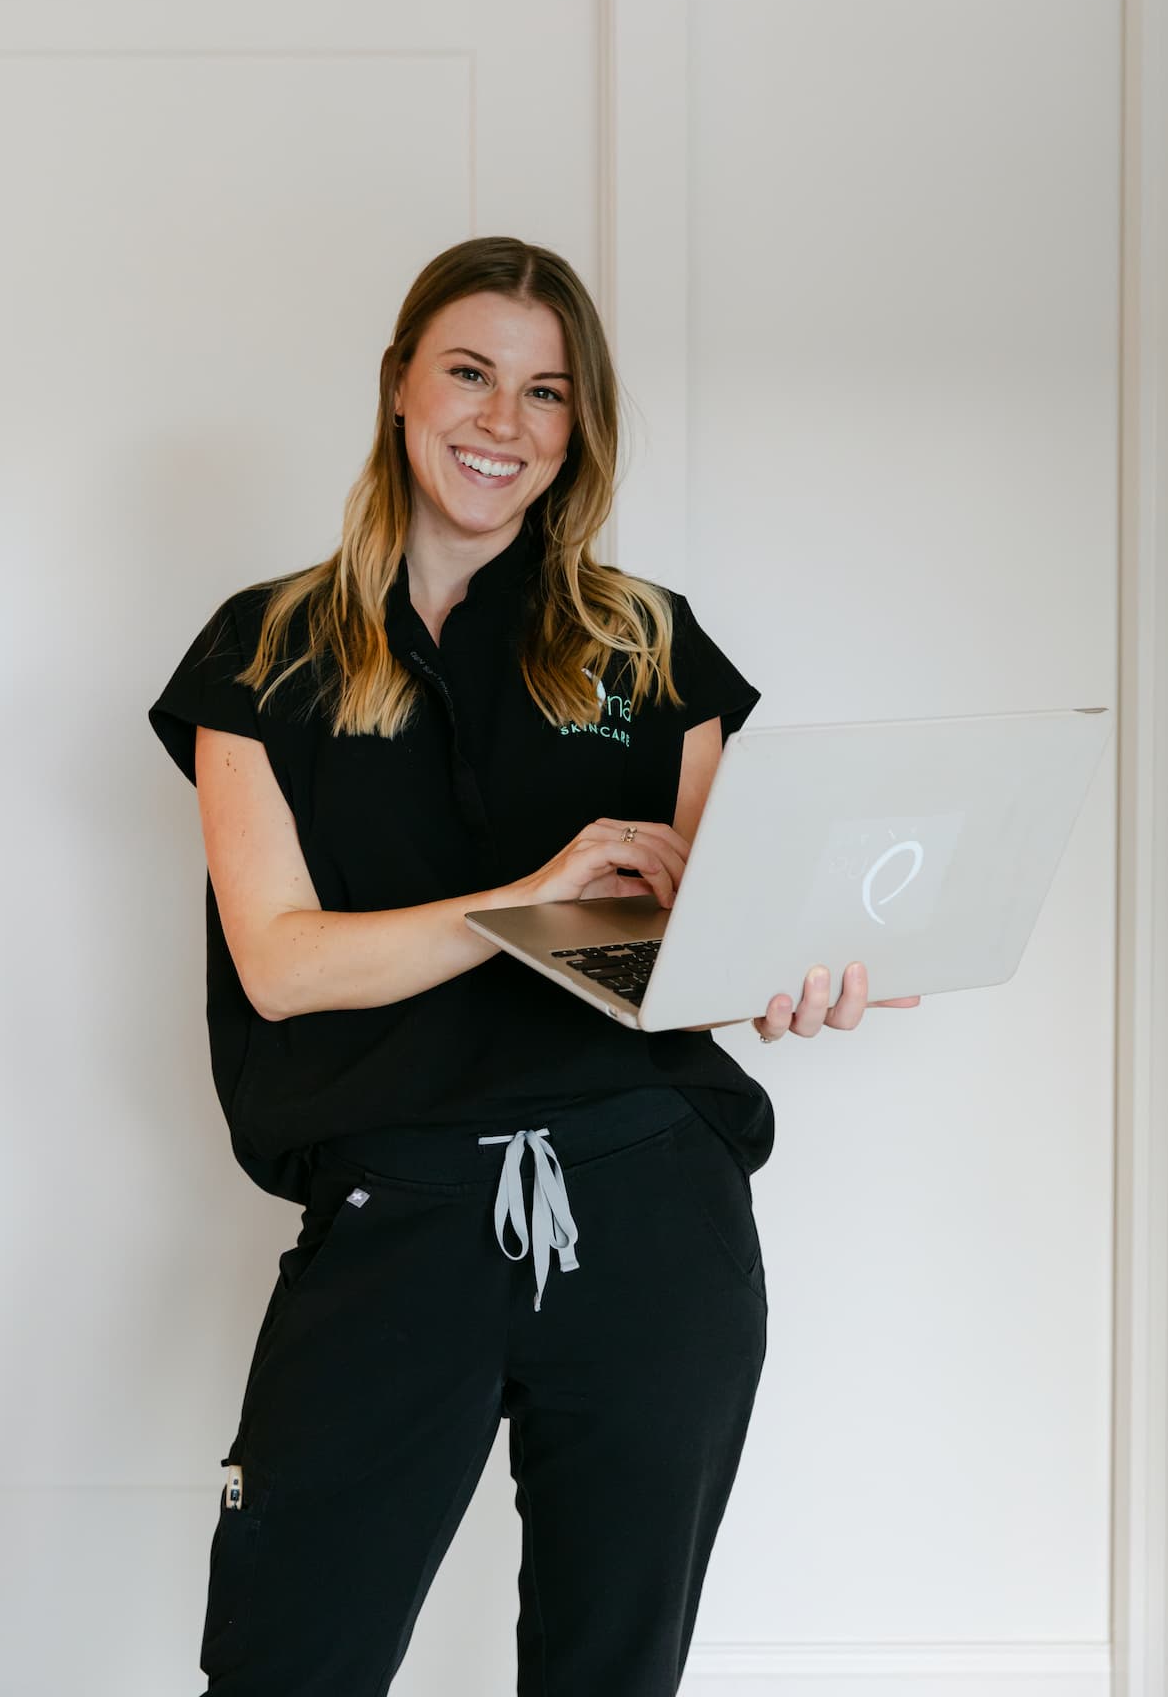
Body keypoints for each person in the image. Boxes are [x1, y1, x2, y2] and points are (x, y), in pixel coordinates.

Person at [148, 235, 920, 1696]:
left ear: (579, 426)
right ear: (398, 385)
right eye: (469, 373)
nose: (502, 421)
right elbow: (282, 967)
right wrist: (523, 897)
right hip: (397, 1215)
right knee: (284, 1667)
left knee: (608, 1674)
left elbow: (721, 934)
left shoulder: (649, 644)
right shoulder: (264, 652)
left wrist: (800, 973)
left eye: (546, 391)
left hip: (651, 1208)